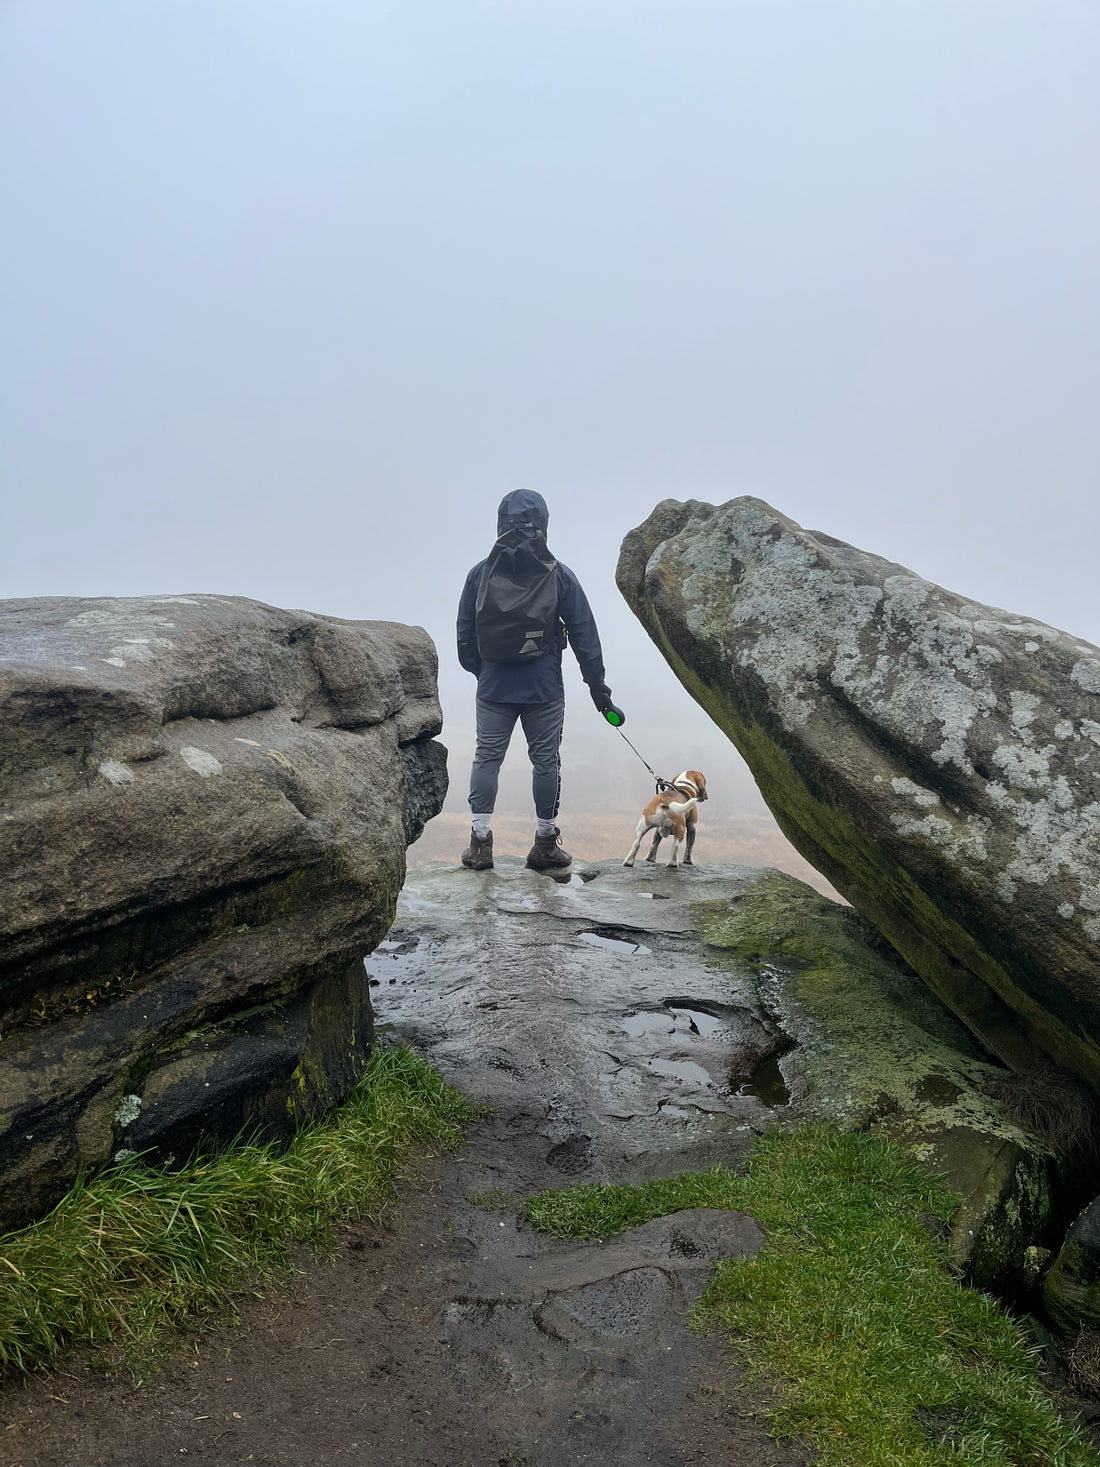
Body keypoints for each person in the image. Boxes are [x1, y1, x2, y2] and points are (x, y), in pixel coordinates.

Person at [456, 489, 617, 871]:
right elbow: (585, 636)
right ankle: (545, 844)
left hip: (494, 686)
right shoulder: (560, 575)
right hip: (544, 688)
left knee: (487, 758)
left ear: (500, 524)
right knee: (546, 763)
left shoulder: (480, 574)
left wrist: (482, 670)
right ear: (543, 525)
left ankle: (480, 844)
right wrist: (598, 689)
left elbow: (465, 632)